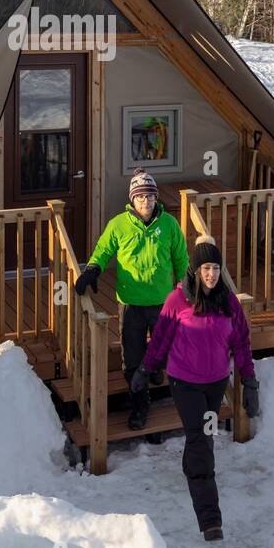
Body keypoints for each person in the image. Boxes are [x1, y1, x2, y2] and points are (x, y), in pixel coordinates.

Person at [130, 236, 260, 542]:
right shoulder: (178, 300)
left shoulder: (228, 302)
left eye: (216, 268)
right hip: (184, 383)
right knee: (202, 441)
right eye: (206, 268)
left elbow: (241, 343)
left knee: (204, 437)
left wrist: (250, 381)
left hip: (215, 383)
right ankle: (210, 519)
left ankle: (193, 468)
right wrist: (146, 369)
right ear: (195, 270)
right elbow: (160, 338)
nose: (212, 274)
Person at [74, 171, 188, 430]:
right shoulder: (118, 224)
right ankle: (139, 406)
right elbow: (103, 251)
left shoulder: (169, 224)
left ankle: (157, 366)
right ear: (132, 200)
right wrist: (92, 270)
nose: (146, 201)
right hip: (131, 303)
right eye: (141, 197)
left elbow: (181, 259)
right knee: (133, 359)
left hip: (163, 302)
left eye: (150, 196)